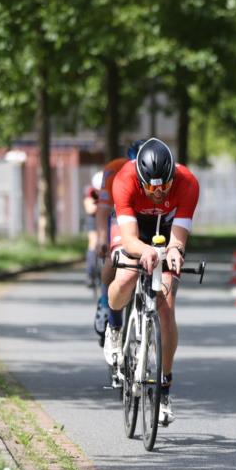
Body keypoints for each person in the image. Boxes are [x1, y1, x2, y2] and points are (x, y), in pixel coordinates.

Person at [102, 138, 199, 426]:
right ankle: (115, 324)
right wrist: (144, 251)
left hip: (167, 229)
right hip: (135, 228)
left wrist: (173, 254)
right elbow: (130, 238)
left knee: (166, 306)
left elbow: (178, 240)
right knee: (127, 276)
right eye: (152, 188)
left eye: (164, 187)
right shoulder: (124, 180)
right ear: (141, 179)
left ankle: (164, 388)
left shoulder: (188, 183)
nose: (158, 193)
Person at [92, 146, 138, 345]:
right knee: (114, 260)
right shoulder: (115, 170)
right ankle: (105, 302)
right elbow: (103, 210)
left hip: (145, 218)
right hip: (119, 216)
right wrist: (102, 239)